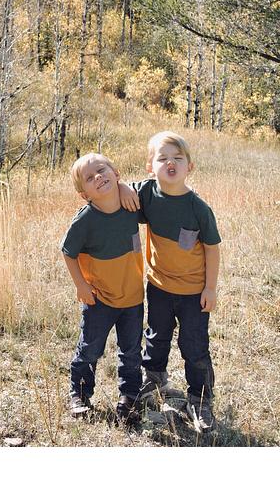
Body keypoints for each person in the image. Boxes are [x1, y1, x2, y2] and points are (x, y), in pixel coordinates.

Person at [132, 130, 221, 433]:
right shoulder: (146, 194)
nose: (171, 163)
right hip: (159, 285)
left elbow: (212, 249)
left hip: (194, 291)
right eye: (163, 158)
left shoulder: (198, 208)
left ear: (189, 167)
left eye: (178, 158)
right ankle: (154, 381)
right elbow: (119, 191)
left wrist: (210, 288)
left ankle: (199, 399)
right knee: (156, 336)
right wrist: (122, 188)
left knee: (194, 346)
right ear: (150, 166)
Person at [61, 152, 145, 424]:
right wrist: (81, 285)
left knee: (131, 352)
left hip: (133, 296)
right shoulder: (86, 220)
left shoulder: (131, 203)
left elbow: (156, 189)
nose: (98, 177)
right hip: (99, 298)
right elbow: (68, 252)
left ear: (116, 173)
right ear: (84, 194)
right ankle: (79, 394)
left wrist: (124, 187)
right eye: (89, 178)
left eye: (102, 170)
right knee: (90, 348)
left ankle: (129, 397)